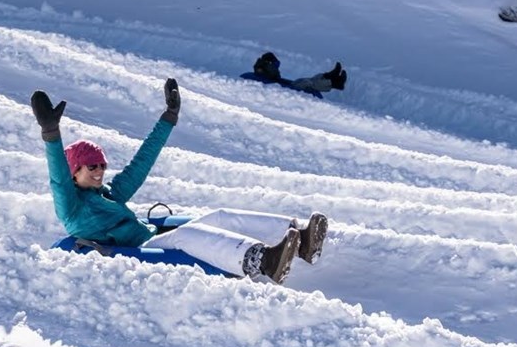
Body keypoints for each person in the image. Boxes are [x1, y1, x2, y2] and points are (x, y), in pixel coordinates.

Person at [30, 78, 328, 284]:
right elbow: (57, 179)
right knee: (187, 235)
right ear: (74, 171)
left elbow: (141, 163)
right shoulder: (71, 208)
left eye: (102, 165)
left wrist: (169, 117)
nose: (99, 171)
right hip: (144, 247)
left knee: (221, 216)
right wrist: (51, 133)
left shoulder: (108, 194)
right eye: (91, 166)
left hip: (150, 236)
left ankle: (301, 239)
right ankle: (263, 261)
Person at [243, 52, 347, 96]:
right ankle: (334, 82)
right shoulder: (260, 71)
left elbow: (273, 78)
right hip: (282, 90)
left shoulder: (265, 68)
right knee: (308, 83)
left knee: (304, 80)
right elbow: (268, 81)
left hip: (281, 85)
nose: (277, 67)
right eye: (275, 64)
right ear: (268, 63)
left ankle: (329, 76)